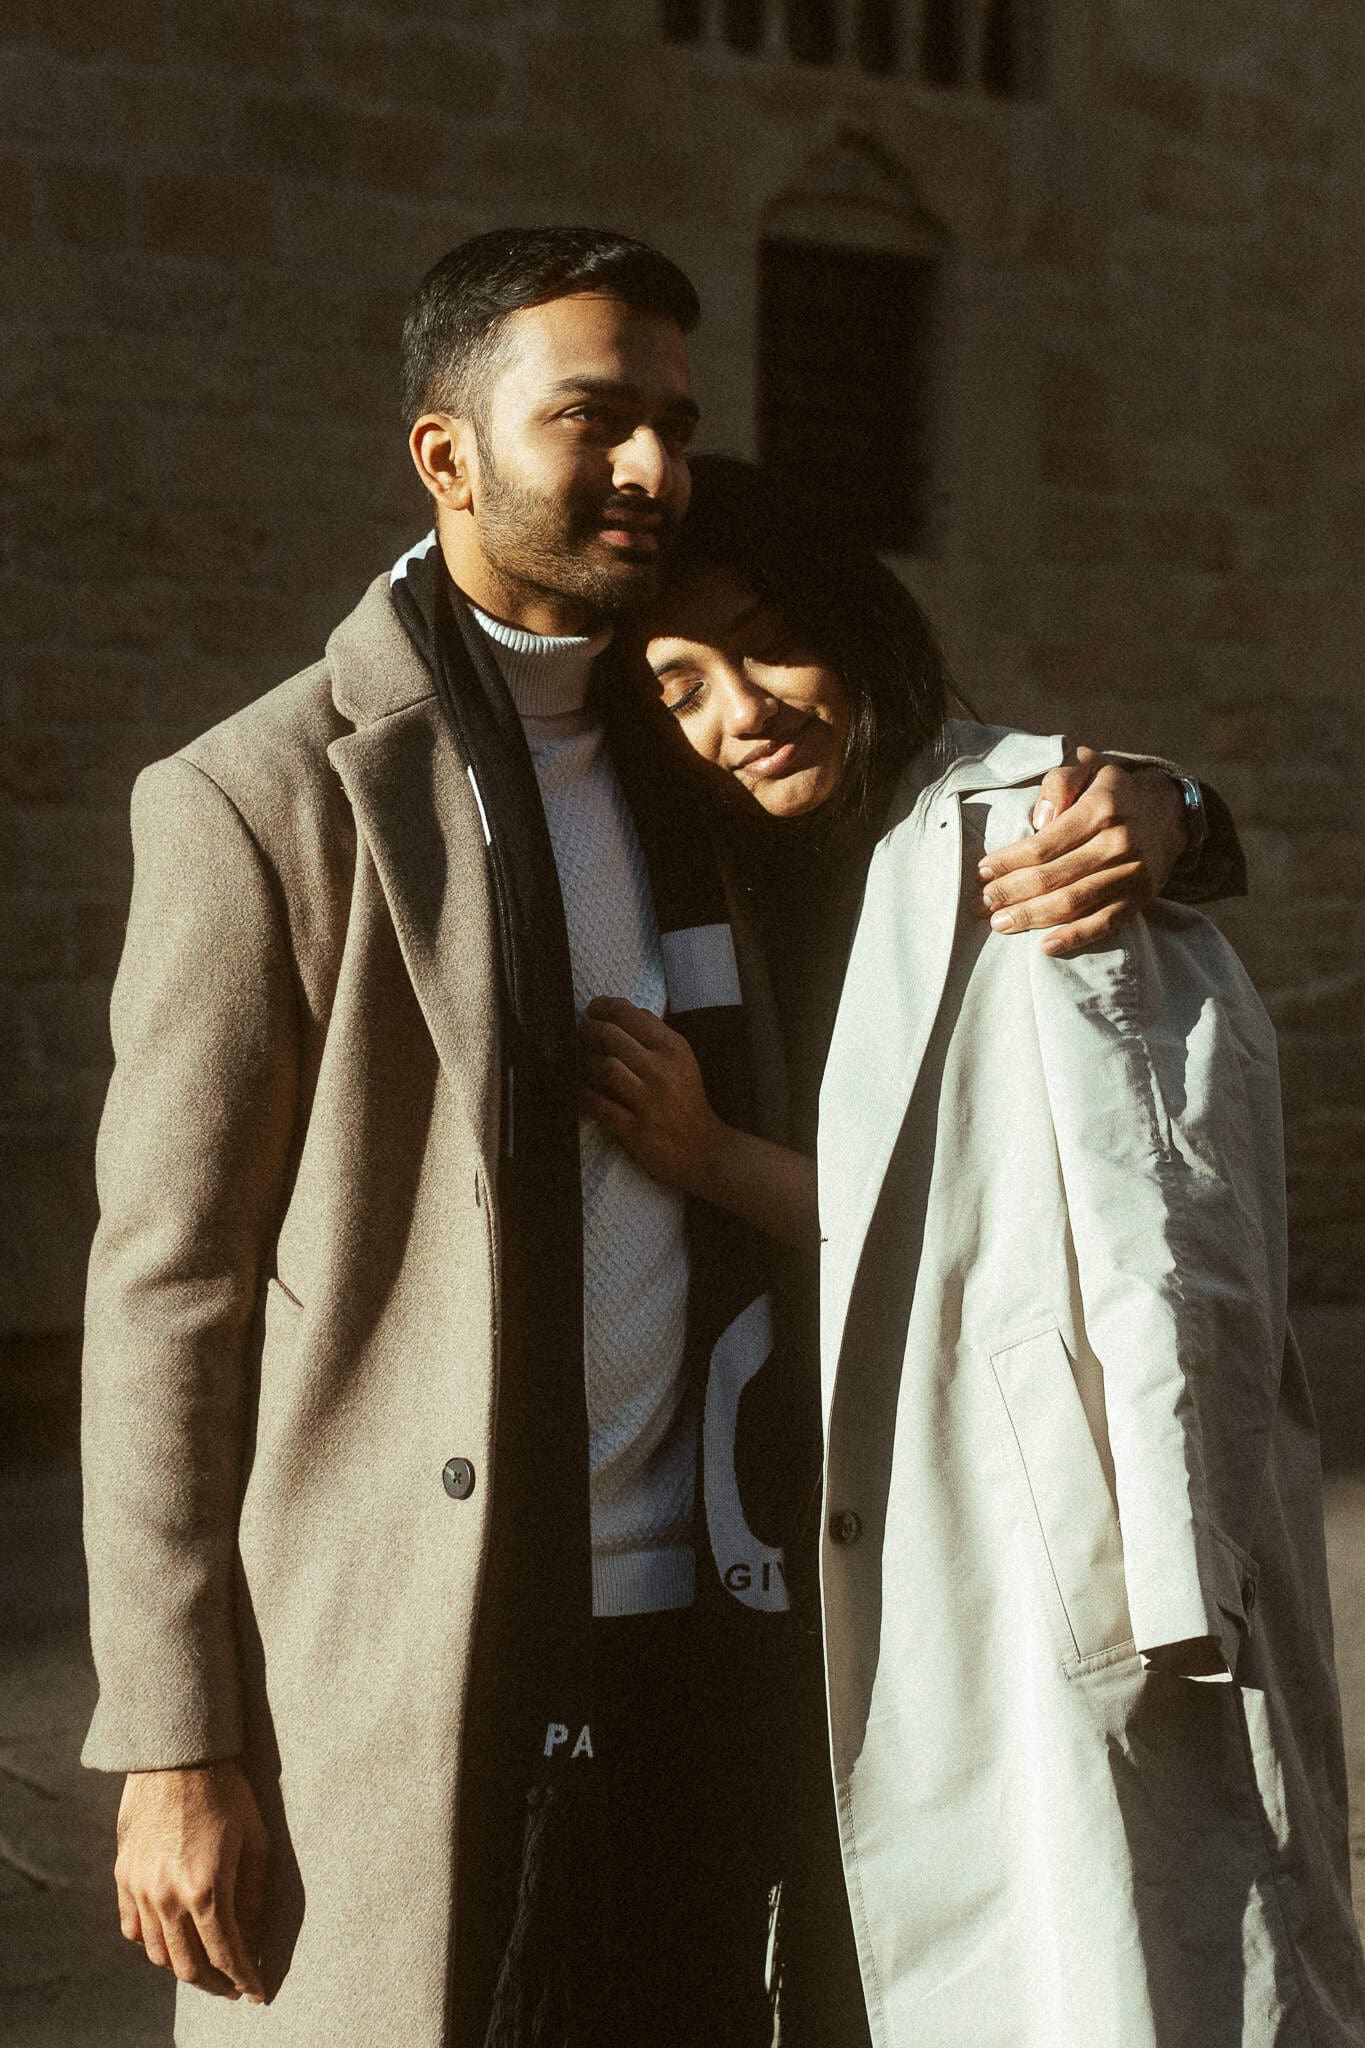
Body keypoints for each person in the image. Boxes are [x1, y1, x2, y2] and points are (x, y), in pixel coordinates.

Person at [82, 232, 1234, 2048]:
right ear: (445, 457)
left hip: (758, 1633)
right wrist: (169, 1739)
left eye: (675, 426)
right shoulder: (265, 797)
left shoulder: (683, 743)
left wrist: (1171, 807)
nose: (647, 467)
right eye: (591, 419)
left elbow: (930, 775)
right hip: (442, 1670)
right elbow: (168, 1292)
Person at [582, 456, 1365, 2048]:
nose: (741, 711)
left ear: (857, 625)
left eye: (770, 643)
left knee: (1099, 1961)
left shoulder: (1030, 842)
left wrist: (1170, 1590)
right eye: (677, 681)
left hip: (1022, 1556)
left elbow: (1166, 1258)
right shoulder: (709, 863)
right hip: (775, 1553)